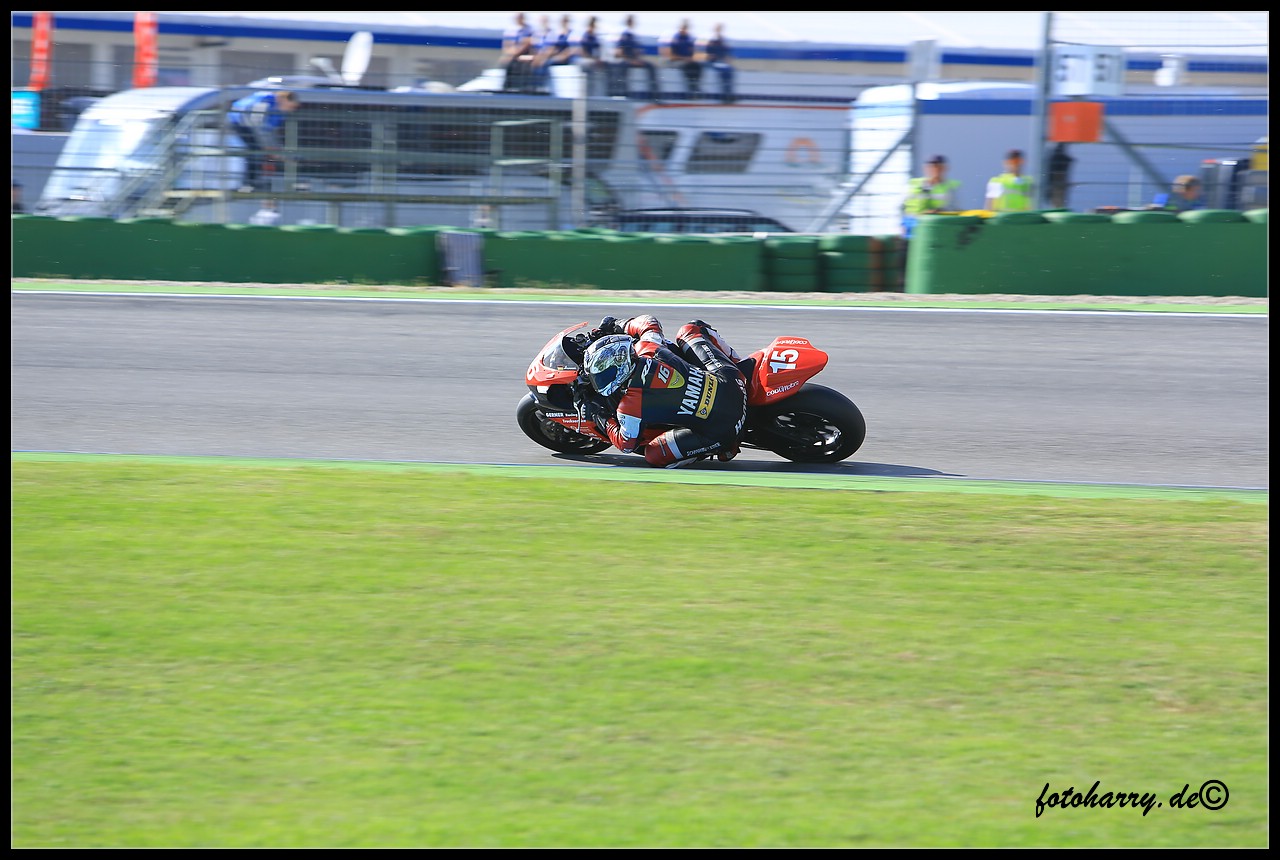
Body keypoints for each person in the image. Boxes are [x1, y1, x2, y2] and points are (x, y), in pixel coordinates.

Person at [566, 314, 748, 468]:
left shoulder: (630, 405)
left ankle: (719, 447)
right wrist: (616, 324)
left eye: (603, 375)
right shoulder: (647, 347)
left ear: (620, 371)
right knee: (691, 329)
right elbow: (649, 322)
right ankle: (744, 367)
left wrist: (599, 415)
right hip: (733, 380)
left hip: (725, 429)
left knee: (653, 454)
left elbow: (626, 444)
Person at [227, 89, 300, 193]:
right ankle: (248, 184)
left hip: (251, 125)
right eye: (290, 107)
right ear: (282, 100)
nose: (291, 110)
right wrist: (271, 149)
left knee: (257, 151)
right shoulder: (264, 103)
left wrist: (278, 151)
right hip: (240, 123)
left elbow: (271, 133)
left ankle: (251, 183)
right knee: (254, 151)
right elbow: (258, 127)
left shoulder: (279, 111)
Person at [901, 154, 959, 239]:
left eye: (938, 167)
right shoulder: (915, 184)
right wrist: (903, 224)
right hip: (911, 228)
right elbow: (904, 206)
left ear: (944, 168)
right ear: (926, 168)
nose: (935, 169)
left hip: (934, 230)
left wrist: (937, 211)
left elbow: (953, 209)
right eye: (932, 166)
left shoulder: (949, 188)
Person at [609, 14, 661, 101]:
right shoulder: (624, 34)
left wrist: (637, 60)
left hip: (635, 60)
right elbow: (619, 52)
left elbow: (638, 51)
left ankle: (655, 94)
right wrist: (630, 60)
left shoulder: (634, 36)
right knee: (622, 69)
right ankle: (622, 94)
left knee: (651, 66)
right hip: (626, 60)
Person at [661, 19, 702, 99]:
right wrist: (684, 58)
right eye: (683, 28)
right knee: (687, 66)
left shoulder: (689, 39)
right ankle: (690, 91)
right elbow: (671, 56)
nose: (684, 29)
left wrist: (691, 58)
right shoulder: (674, 39)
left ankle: (696, 87)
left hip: (687, 61)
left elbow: (693, 52)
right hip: (675, 61)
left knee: (697, 65)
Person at [534, 14, 576, 91]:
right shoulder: (557, 34)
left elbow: (572, 49)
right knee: (538, 63)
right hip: (557, 56)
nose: (564, 22)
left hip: (567, 58)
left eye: (566, 21)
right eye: (563, 21)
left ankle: (544, 86)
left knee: (548, 63)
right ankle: (538, 85)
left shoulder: (572, 33)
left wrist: (562, 56)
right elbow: (552, 48)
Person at [984, 148, 1035, 212]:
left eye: (1017, 161)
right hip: (1003, 216)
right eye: (1012, 161)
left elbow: (1033, 203)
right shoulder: (997, 181)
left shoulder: (1029, 181)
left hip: (1023, 216)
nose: (1015, 164)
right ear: (1006, 163)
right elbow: (989, 205)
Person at [498, 12, 538, 93]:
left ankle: (523, 87)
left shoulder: (529, 30)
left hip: (525, 54)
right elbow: (506, 44)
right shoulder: (510, 30)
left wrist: (516, 52)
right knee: (506, 64)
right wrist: (509, 53)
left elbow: (527, 43)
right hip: (512, 54)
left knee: (523, 64)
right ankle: (507, 87)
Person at [570, 15, 608, 96]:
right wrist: (594, 59)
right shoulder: (585, 35)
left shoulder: (595, 37)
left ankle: (597, 94)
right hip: (583, 60)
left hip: (592, 61)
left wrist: (599, 59)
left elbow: (599, 50)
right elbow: (581, 51)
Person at [697, 23, 735, 103]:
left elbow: (727, 54)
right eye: (718, 29)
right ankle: (725, 95)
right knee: (723, 70)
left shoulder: (724, 41)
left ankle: (728, 94)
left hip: (721, 62)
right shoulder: (711, 41)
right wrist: (711, 57)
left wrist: (727, 60)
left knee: (729, 70)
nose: (719, 31)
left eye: (720, 29)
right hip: (712, 62)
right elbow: (706, 54)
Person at [1046, 142, 1074, 209]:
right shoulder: (1056, 157)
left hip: (1057, 181)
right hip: (1058, 181)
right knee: (1059, 201)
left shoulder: (1053, 157)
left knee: (1058, 201)